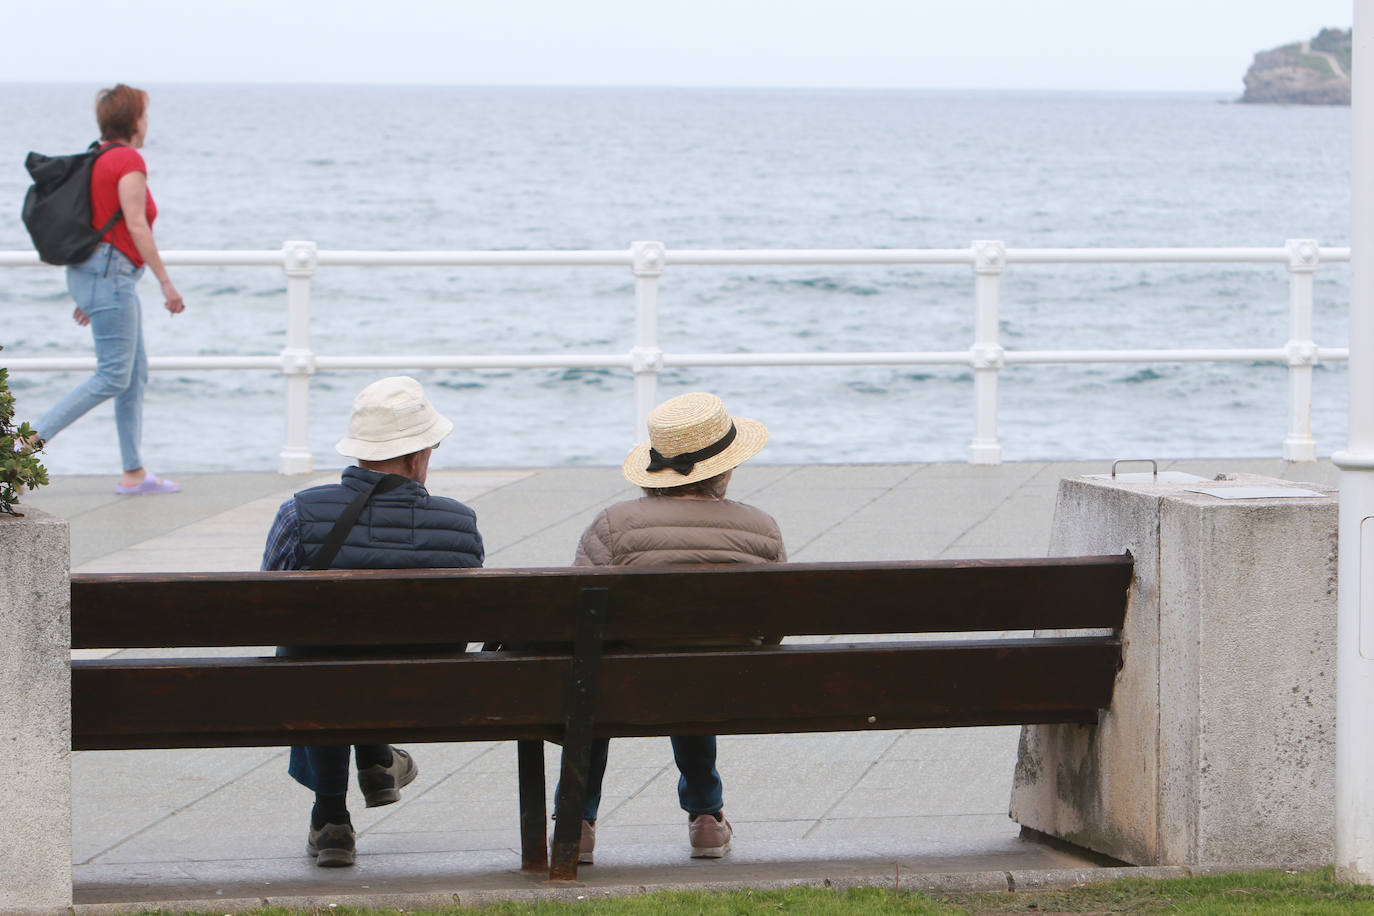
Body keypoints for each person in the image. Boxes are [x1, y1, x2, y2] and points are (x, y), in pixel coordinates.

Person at [260, 376, 484, 868]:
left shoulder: (298, 513)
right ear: (419, 454)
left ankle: (331, 815)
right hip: (427, 692)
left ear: (358, 453)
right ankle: (376, 757)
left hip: (318, 687)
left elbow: (266, 611)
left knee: (315, 658)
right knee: (358, 662)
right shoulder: (458, 523)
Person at [557, 391, 786, 864]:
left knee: (597, 680)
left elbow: (577, 621)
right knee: (695, 666)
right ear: (724, 469)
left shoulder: (612, 525)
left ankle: (576, 823)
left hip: (622, 686)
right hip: (730, 684)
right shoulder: (760, 528)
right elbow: (773, 628)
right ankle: (706, 817)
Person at [29, 83, 186, 494]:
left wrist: (93, 295)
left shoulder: (96, 157)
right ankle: (25, 444)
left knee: (133, 375)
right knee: (114, 376)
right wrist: (166, 283)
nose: (146, 124)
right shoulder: (128, 159)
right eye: (144, 116)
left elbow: (101, 224)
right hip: (109, 276)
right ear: (134, 121)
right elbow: (135, 225)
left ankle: (133, 473)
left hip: (97, 275)